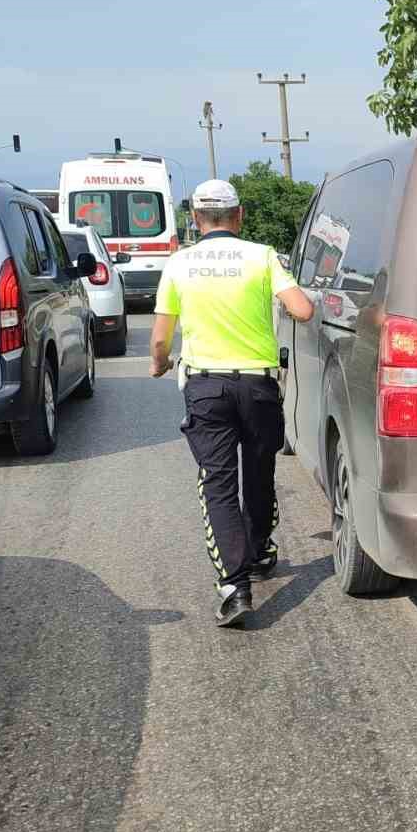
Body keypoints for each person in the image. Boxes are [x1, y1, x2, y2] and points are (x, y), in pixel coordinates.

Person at [150, 179, 314, 627]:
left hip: (206, 388)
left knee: (218, 483)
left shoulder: (179, 264)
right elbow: (301, 309)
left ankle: (235, 588)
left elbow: (162, 336)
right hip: (258, 387)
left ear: (195, 219)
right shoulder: (262, 256)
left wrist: (159, 364)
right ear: (239, 217)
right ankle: (259, 551)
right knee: (259, 475)